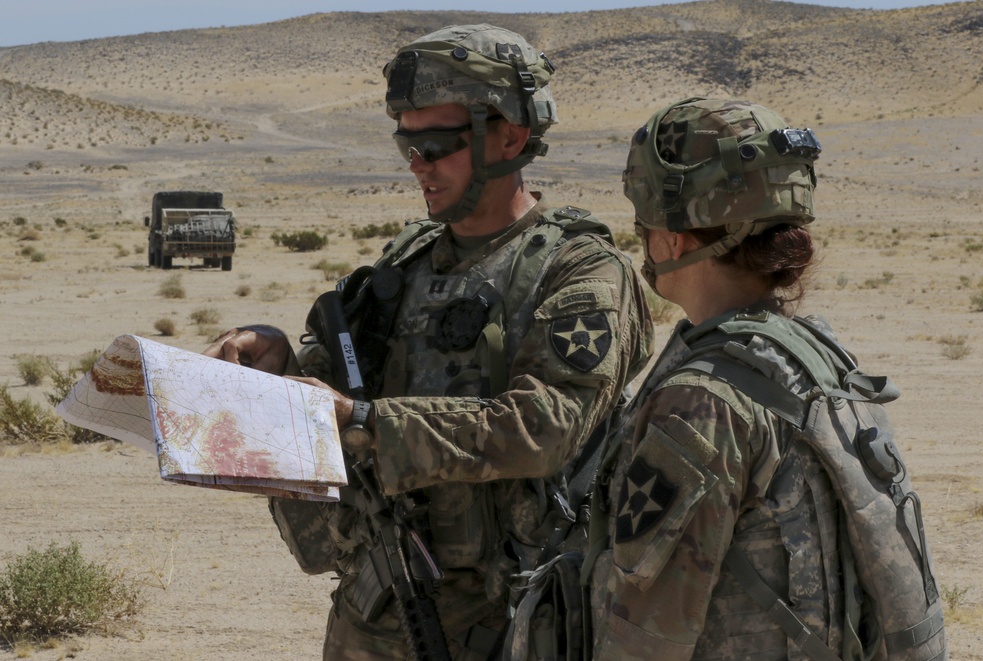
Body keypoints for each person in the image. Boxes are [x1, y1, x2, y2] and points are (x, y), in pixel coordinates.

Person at [204, 24, 652, 660]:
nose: (418, 164)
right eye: (406, 145)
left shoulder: (579, 271)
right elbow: (348, 385)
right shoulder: (406, 262)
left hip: (508, 624)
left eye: (437, 145)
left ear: (511, 137)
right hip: (374, 606)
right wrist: (281, 359)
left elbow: (548, 428)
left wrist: (362, 422)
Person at [587, 97, 945, 660]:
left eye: (644, 225)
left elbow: (647, 636)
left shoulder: (704, 401)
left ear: (672, 238)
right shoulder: (814, 356)